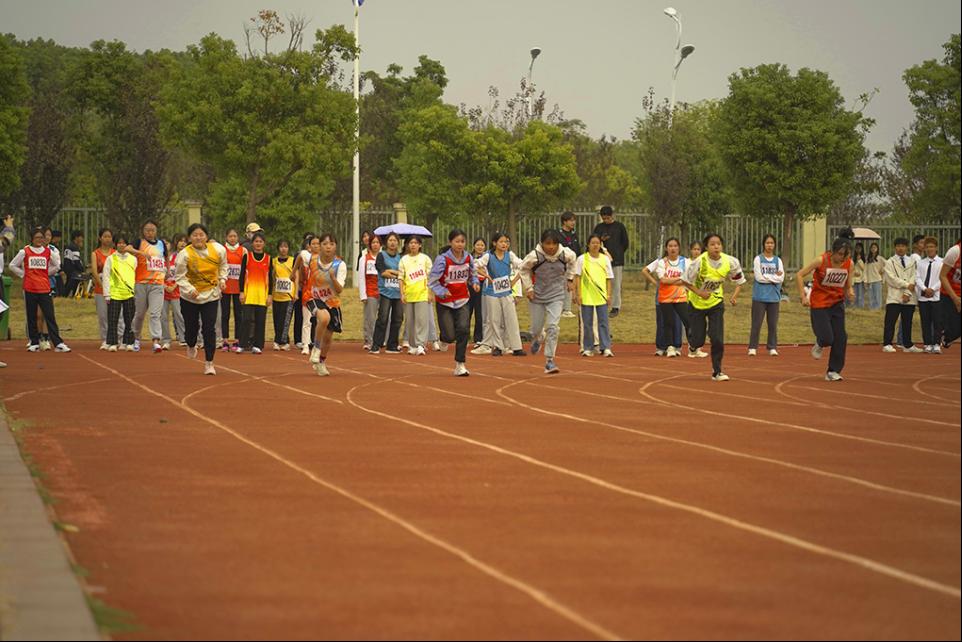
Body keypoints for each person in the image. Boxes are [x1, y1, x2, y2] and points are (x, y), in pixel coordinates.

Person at [682, 233, 746, 381]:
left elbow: (739, 281)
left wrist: (735, 295)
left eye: (718, 244)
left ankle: (717, 371)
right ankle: (693, 345)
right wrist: (700, 292)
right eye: (712, 244)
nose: (716, 246)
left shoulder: (730, 261)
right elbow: (685, 281)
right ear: (706, 247)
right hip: (696, 304)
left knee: (717, 338)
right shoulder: (699, 262)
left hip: (716, 303)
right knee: (698, 341)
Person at [797, 230, 855, 381]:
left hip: (837, 303)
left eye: (846, 255)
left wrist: (850, 291)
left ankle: (833, 371)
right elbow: (799, 274)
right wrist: (803, 296)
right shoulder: (821, 260)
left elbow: (848, 284)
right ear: (833, 252)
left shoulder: (849, 263)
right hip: (819, 304)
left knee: (841, 337)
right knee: (827, 338)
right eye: (840, 254)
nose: (842, 258)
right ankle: (820, 343)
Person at [174, 223, 229, 375]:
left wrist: (223, 279)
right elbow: (179, 276)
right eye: (195, 235)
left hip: (210, 295)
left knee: (209, 328)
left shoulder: (218, 250)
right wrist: (190, 289)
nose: (198, 237)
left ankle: (209, 363)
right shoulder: (184, 255)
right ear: (190, 238)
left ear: (206, 236)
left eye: (201, 234)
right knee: (191, 328)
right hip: (190, 297)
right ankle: (191, 344)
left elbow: (224, 266)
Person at [520, 229, 577, 374]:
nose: (551, 247)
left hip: (556, 296)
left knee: (553, 327)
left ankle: (549, 361)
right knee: (535, 330)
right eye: (547, 244)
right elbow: (523, 270)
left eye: (554, 244)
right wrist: (529, 288)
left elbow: (573, 262)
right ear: (542, 243)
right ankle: (538, 337)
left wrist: (570, 279)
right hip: (537, 296)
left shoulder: (566, 254)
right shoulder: (535, 256)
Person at [7, 227, 70, 352]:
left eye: (41, 237)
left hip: (44, 288)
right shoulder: (24, 251)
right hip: (30, 288)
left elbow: (57, 266)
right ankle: (34, 342)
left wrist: (46, 273)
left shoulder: (47, 251)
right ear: (32, 239)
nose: (39, 240)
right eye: (37, 237)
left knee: (49, 315)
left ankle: (58, 343)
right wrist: (24, 274)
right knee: (32, 316)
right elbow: (12, 265)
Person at [429, 229, 480, 376]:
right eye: (457, 241)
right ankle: (444, 338)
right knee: (450, 335)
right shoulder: (442, 259)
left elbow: (473, 274)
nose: (460, 244)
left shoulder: (468, 258)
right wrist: (442, 291)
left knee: (464, 330)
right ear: (450, 242)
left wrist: (475, 283)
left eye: (462, 241)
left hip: (463, 299)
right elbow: (432, 281)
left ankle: (460, 364)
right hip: (445, 302)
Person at [475, 231, 525, 357]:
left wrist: (514, 281)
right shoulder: (488, 256)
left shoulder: (510, 255)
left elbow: (523, 266)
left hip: (506, 291)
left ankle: (516, 347)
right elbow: (475, 265)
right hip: (492, 292)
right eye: (501, 242)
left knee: (511, 318)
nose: (504, 244)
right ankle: (497, 346)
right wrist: (486, 275)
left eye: (506, 242)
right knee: (494, 319)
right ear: (495, 243)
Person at [305, 234, 346, 376]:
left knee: (328, 338)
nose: (328, 247)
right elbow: (299, 257)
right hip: (313, 297)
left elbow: (340, 290)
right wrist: (294, 273)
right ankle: (315, 349)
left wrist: (333, 278)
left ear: (335, 247)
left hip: (332, 301)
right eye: (325, 244)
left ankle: (321, 361)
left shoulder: (340, 265)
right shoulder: (312, 259)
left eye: (331, 244)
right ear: (319, 246)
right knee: (323, 318)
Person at [643, 238, 689, 358]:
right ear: (666, 248)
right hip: (665, 297)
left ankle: (683, 346)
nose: (673, 248)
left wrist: (682, 282)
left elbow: (690, 276)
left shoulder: (685, 261)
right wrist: (656, 282)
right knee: (665, 322)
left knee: (683, 321)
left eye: (675, 246)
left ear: (679, 248)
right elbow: (662, 279)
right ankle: (665, 346)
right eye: (670, 246)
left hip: (680, 297)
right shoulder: (661, 262)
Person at [128, 220, 168, 353]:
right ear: (143, 231)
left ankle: (156, 341)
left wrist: (166, 271)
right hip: (141, 283)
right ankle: (136, 338)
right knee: (139, 314)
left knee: (155, 313)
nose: (150, 232)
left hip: (157, 284)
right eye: (147, 230)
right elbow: (127, 248)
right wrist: (141, 253)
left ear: (156, 231)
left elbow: (165, 258)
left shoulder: (161, 244)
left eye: (152, 230)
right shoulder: (139, 242)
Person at [574, 234, 614, 357]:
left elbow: (609, 278)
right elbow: (577, 277)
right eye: (593, 243)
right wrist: (578, 294)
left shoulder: (605, 259)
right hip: (586, 296)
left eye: (598, 243)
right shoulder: (582, 259)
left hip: (601, 296)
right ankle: (587, 347)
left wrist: (608, 295)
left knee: (603, 322)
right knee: (587, 323)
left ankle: (605, 347)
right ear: (588, 245)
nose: (595, 245)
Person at [882, 238, 922, 353]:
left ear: (907, 248)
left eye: (903, 246)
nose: (900, 248)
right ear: (895, 247)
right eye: (898, 246)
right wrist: (906, 285)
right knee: (890, 321)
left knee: (907, 321)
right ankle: (887, 343)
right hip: (894, 296)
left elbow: (915, 276)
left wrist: (907, 292)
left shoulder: (912, 261)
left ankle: (907, 345)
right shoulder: (889, 262)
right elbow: (891, 279)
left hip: (909, 297)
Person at [748, 234, 784, 356]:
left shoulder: (778, 260)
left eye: (772, 243)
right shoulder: (758, 259)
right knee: (756, 323)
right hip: (759, 297)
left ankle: (772, 347)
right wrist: (774, 277)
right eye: (767, 243)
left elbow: (781, 278)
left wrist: (769, 277)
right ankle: (753, 347)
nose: (769, 245)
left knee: (773, 324)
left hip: (774, 298)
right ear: (763, 244)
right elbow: (759, 278)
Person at [237, 231, 273, 354]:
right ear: (252, 243)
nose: (258, 243)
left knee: (260, 320)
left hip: (262, 295)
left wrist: (270, 295)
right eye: (256, 241)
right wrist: (241, 292)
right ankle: (242, 344)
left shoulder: (268, 259)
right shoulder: (247, 257)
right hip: (248, 294)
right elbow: (242, 276)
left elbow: (271, 279)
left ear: (264, 244)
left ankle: (258, 345)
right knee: (246, 319)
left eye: (260, 242)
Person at [102, 234, 139, 351]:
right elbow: (106, 277)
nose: (121, 245)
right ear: (115, 244)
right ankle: (113, 343)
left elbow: (136, 275)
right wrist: (107, 294)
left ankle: (128, 342)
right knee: (113, 319)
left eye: (124, 243)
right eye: (119, 243)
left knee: (129, 319)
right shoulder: (110, 259)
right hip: (114, 294)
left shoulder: (133, 259)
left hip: (129, 293)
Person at [400, 235, 434, 356]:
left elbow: (431, 277)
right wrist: (402, 294)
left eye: (415, 243)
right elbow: (401, 278)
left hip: (422, 294)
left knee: (421, 320)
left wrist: (430, 293)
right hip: (409, 294)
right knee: (410, 321)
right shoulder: (404, 259)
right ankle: (412, 345)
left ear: (420, 245)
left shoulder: (425, 259)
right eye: (410, 243)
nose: (413, 245)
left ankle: (420, 344)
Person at [592, 206, 629, 317]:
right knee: (601, 282)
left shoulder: (619, 227)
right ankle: (601, 303)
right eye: (604, 218)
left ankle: (615, 306)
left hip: (617, 260)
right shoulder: (599, 228)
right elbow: (594, 241)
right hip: (601, 260)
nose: (606, 220)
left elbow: (625, 242)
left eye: (608, 218)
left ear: (612, 215)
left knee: (616, 284)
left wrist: (618, 253)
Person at [371, 233, 404, 355]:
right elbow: (383, 272)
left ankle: (392, 345)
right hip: (386, 292)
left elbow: (403, 274)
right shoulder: (381, 255)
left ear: (398, 243)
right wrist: (396, 272)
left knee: (398, 318)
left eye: (395, 240)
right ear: (386, 242)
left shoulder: (401, 258)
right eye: (390, 240)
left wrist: (392, 272)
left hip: (398, 293)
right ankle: (376, 344)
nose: (392, 242)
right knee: (383, 318)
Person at [90, 228, 117, 349]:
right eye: (105, 236)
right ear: (100, 238)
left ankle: (116, 338)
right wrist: (103, 285)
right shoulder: (95, 254)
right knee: (103, 315)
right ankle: (105, 339)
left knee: (115, 315)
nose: (107, 239)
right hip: (100, 289)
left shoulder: (115, 253)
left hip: (115, 289)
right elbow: (95, 272)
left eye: (109, 237)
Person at [916, 237, 943, 354]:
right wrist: (924, 289)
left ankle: (937, 344)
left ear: (936, 248)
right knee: (925, 321)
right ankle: (927, 343)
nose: (929, 249)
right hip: (923, 297)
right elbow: (917, 278)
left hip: (936, 296)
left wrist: (933, 288)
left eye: (932, 247)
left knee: (937, 321)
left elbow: (943, 278)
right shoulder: (921, 263)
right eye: (927, 247)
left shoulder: (942, 262)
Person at [221, 228, 246, 353]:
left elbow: (245, 269)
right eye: (230, 236)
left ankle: (237, 340)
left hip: (238, 288)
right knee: (225, 315)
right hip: (225, 287)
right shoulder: (222, 250)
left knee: (238, 315)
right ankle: (225, 340)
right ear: (226, 237)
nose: (232, 238)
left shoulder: (243, 250)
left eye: (235, 236)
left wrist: (244, 288)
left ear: (238, 237)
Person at [161, 233, 187, 349]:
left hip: (177, 290)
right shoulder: (166, 257)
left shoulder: (185, 256)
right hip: (163, 290)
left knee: (179, 315)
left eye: (184, 241)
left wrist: (174, 285)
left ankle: (183, 338)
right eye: (179, 241)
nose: (182, 243)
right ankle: (166, 339)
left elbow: (184, 274)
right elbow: (157, 273)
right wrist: (164, 285)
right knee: (163, 316)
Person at [271, 240, 296, 351]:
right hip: (277, 295)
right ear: (278, 248)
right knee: (276, 319)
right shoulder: (274, 261)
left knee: (285, 320)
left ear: (288, 248)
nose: (283, 249)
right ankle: (277, 341)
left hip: (288, 296)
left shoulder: (292, 261)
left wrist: (295, 293)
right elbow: (272, 277)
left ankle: (284, 342)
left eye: (285, 246)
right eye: (281, 247)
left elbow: (297, 277)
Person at [358, 235, 381, 351]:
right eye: (373, 242)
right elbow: (361, 277)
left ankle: (382, 340)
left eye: (377, 242)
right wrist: (363, 294)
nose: (375, 245)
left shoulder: (383, 258)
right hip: (370, 291)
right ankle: (369, 339)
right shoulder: (364, 259)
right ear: (370, 244)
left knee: (384, 317)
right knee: (370, 318)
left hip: (383, 291)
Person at [938, 236, 961, 349]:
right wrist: (955, 298)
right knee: (955, 327)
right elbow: (942, 276)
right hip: (949, 294)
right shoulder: (955, 251)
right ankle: (947, 336)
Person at [559, 211, 581, 318]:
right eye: (571, 220)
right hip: (563, 265)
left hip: (574, 264)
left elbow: (578, 249)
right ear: (564, 221)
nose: (573, 223)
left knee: (571, 285)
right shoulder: (559, 234)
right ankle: (565, 309)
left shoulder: (574, 234)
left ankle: (567, 308)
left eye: (574, 220)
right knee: (565, 286)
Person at [469, 237, 487, 346]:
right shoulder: (468, 257)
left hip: (483, 286)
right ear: (474, 246)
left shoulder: (487, 258)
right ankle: (464, 336)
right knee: (467, 311)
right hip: (470, 285)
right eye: (478, 245)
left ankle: (478, 338)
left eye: (482, 245)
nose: (480, 247)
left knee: (480, 312)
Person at [62, 230, 86, 298]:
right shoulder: (74, 248)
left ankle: (65, 296)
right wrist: (82, 269)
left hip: (67, 267)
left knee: (69, 283)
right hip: (72, 269)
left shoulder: (69, 246)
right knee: (73, 283)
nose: (82, 239)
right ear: (76, 238)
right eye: (81, 237)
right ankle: (73, 296)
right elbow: (76, 261)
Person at [864, 242, 885, 310]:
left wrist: (882, 270)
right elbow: (865, 270)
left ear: (877, 249)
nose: (873, 249)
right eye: (872, 247)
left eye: (875, 247)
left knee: (877, 296)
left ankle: (878, 309)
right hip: (870, 280)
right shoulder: (867, 258)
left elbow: (888, 265)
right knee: (871, 296)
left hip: (877, 279)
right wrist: (865, 280)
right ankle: (872, 309)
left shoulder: (880, 258)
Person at [851, 243, 867, 309]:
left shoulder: (864, 258)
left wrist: (859, 260)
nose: (858, 250)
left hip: (861, 279)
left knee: (860, 294)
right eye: (857, 248)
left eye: (859, 248)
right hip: (854, 278)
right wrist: (854, 272)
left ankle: (861, 307)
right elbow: (851, 267)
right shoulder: (852, 258)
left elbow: (864, 268)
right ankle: (855, 306)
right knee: (855, 293)